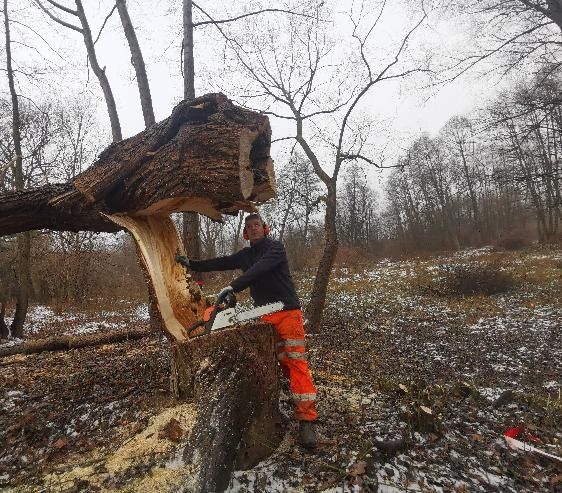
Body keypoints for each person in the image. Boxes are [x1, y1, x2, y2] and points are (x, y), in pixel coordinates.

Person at [175, 213, 318, 448]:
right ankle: (283, 398)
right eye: (249, 226)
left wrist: (233, 286)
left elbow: (258, 270)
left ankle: (307, 419)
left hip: (287, 312)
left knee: (296, 362)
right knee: (278, 361)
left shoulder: (275, 249)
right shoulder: (245, 255)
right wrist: (192, 264)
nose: (253, 229)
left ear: (265, 228)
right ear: (245, 232)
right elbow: (221, 262)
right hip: (265, 315)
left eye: (256, 225)